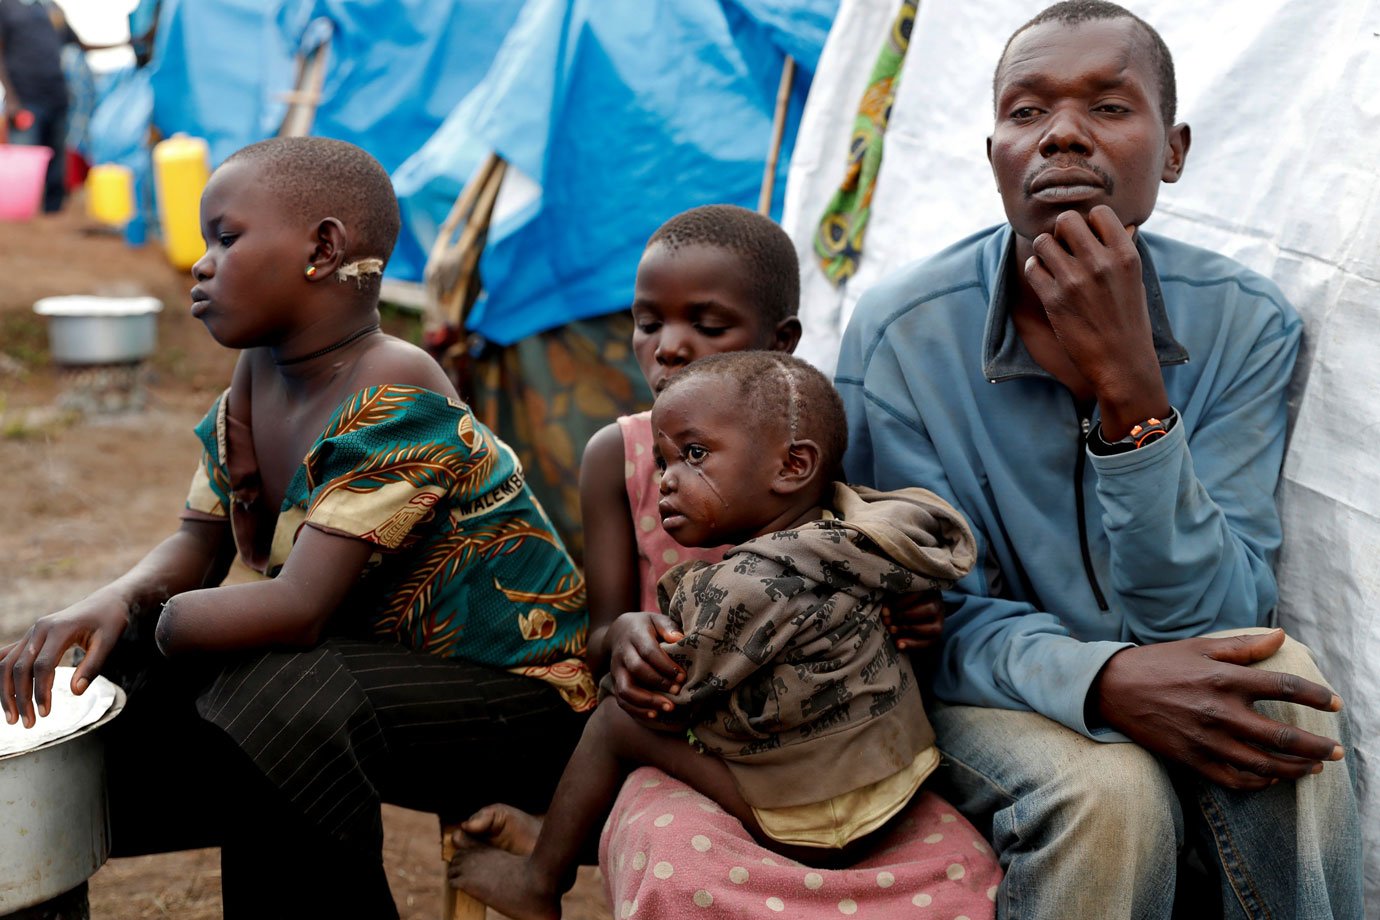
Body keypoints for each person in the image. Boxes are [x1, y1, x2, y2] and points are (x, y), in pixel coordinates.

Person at [834, 2, 1363, 918]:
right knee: (1111, 794)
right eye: (1028, 111)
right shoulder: (903, 334)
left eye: (1109, 108)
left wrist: (1131, 390)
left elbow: (1227, 615)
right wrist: (1103, 682)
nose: (1063, 136)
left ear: (1174, 150)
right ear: (993, 150)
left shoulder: (1244, 323)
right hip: (987, 698)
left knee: (1296, 704)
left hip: (1176, 655)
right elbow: (922, 621)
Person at [0, 136, 594, 918]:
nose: (201, 264)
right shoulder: (253, 382)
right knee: (87, 690)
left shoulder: (396, 385)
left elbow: (299, 606)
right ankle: (45, 839)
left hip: (520, 710)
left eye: (226, 236)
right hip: (372, 683)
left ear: (323, 248)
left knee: (270, 686)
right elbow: (195, 543)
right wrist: (117, 602)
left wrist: (163, 625)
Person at [458, 203, 950, 856]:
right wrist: (625, 638)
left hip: (816, 735)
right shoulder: (620, 457)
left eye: (707, 323)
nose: (668, 346)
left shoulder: (809, 442)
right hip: (679, 722)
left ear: (781, 340)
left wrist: (913, 614)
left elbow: (864, 567)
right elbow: (601, 632)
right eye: (647, 322)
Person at [449, 351, 978, 919]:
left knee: (619, 718)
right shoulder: (858, 533)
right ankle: (559, 837)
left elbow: (670, 703)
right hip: (897, 778)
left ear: (792, 467)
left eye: (694, 455)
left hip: (815, 821)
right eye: (662, 461)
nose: (668, 482)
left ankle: (539, 880)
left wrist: (636, 666)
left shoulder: (743, 587)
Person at [0, 0, 120, 212]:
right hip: (25, 100)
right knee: (26, 165)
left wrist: (126, 43)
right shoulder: (6, 7)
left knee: (57, 165)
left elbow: (79, 44)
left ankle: (52, 213)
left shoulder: (52, 9)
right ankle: (23, 214)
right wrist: (12, 101)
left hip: (57, 98)